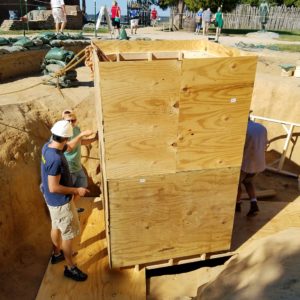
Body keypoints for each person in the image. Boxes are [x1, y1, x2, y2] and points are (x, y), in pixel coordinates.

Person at [41, 120, 89, 281]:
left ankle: (57, 254)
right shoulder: (55, 159)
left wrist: (81, 136)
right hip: (61, 202)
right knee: (68, 235)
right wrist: (77, 190)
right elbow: (54, 186)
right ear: (66, 138)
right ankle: (70, 267)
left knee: (56, 225)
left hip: (51, 200)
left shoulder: (48, 147)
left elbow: (68, 147)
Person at [62, 109, 98, 210]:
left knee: (82, 187)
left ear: (76, 120)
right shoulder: (63, 133)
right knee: (69, 192)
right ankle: (68, 210)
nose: (70, 123)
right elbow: (68, 148)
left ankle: (71, 208)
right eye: (67, 121)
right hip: (68, 167)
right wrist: (81, 135)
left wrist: (94, 138)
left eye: (72, 120)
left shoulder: (76, 129)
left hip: (77, 166)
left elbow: (80, 142)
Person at [236, 118, 268, 216]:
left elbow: (240, 147)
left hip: (246, 163)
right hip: (259, 163)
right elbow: (266, 143)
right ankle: (254, 204)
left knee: (237, 184)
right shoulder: (262, 128)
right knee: (248, 182)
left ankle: (237, 204)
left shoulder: (243, 130)